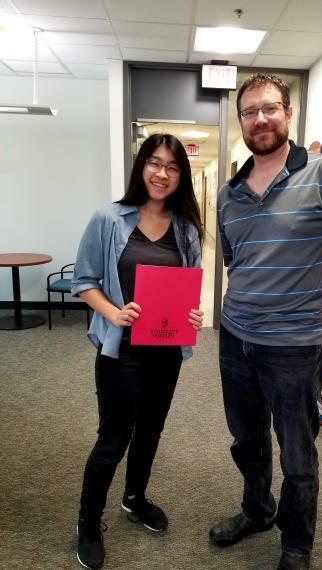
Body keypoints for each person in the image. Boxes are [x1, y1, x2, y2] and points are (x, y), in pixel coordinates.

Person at [210, 74, 322, 570]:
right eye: (250, 111)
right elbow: (238, 263)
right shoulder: (229, 193)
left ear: (288, 114)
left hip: (295, 346)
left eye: (270, 108)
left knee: (297, 455)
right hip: (236, 339)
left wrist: (315, 310)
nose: (260, 118)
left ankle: (296, 545)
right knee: (246, 438)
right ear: (240, 121)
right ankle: (257, 510)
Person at [71, 133, 204, 570]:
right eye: (154, 162)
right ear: (140, 165)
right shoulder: (108, 218)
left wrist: (193, 317)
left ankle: (135, 497)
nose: (162, 173)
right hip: (121, 350)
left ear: (180, 175)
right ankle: (88, 523)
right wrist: (112, 312)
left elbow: (189, 288)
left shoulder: (186, 228)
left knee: (151, 430)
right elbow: (84, 281)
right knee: (114, 438)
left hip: (165, 349)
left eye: (172, 166)